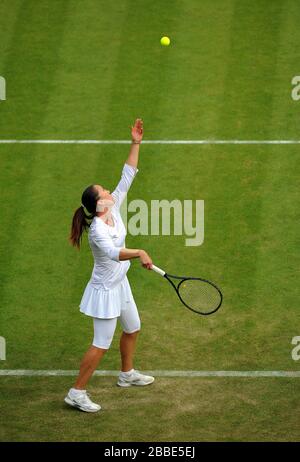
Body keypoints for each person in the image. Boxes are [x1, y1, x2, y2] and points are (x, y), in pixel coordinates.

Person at [65, 119, 154, 413]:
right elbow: (115, 254)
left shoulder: (112, 207)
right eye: (104, 192)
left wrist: (136, 142)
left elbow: (128, 174)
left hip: (121, 283)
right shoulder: (97, 232)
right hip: (105, 290)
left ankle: (127, 375)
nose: (109, 192)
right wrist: (139, 251)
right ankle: (76, 392)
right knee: (100, 344)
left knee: (133, 327)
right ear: (97, 203)